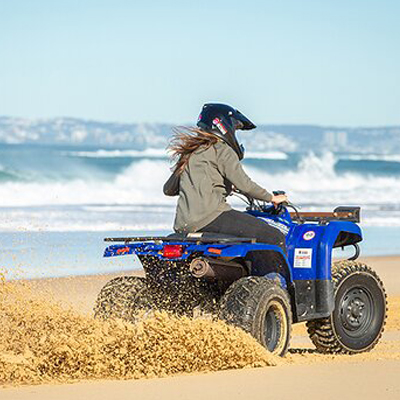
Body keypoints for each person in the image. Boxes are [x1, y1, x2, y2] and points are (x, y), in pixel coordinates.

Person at [163, 103, 288, 253]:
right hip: (211, 216)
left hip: (183, 224)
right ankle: (274, 276)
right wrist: (271, 198)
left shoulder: (190, 152)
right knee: (273, 236)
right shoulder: (221, 149)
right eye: (235, 129)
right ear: (223, 125)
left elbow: (168, 189)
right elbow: (245, 185)